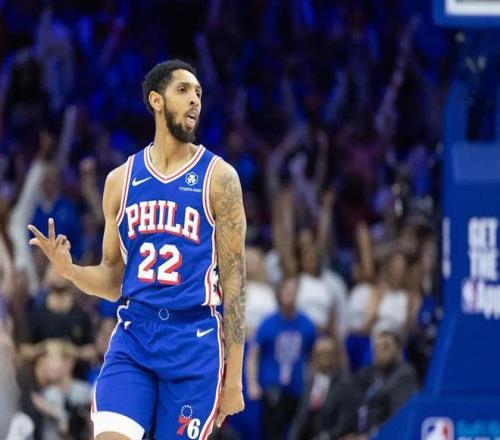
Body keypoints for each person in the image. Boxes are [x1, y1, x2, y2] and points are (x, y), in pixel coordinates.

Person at [28, 59, 246, 440]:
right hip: (136, 336)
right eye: (183, 90)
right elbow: (113, 280)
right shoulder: (121, 181)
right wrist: (70, 271)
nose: (195, 100)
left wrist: (234, 380)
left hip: (193, 342)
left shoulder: (220, 178)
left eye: (198, 93)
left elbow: (235, 282)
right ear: (156, 101)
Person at [246, 276, 316, 440]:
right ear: (279, 294)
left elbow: (313, 357)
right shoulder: (268, 323)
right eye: (287, 291)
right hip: (272, 388)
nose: (290, 295)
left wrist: (312, 385)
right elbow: (253, 355)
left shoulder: (306, 324)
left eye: (293, 291)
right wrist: (252, 384)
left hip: (297, 389)